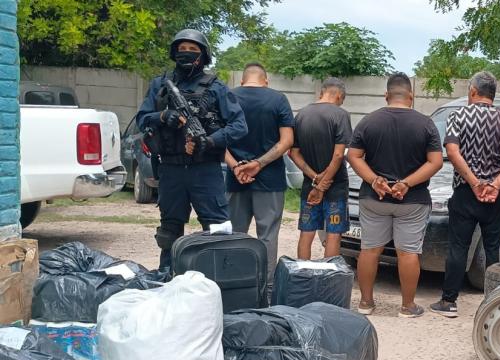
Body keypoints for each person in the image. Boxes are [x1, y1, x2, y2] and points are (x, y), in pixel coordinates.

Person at [135, 29, 247, 270]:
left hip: (204, 170)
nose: (186, 54)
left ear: (203, 55)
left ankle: (220, 286)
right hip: (171, 170)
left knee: (218, 231)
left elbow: (239, 126)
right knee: (169, 234)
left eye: (192, 50)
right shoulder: (159, 85)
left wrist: (211, 141)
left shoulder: (216, 87)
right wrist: (163, 116)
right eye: (181, 49)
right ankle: (168, 281)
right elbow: (142, 119)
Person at [346, 73, 443, 318]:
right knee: (408, 252)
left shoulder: (368, 121)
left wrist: (374, 180)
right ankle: (408, 307)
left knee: (369, 250)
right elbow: (436, 162)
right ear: (411, 97)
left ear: (386, 95)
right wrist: (407, 183)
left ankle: (366, 303)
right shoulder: (426, 124)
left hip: (374, 198)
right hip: (412, 200)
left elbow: (353, 155)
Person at [430, 71, 500, 318]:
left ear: (472, 91)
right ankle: (494, 304)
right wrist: (496, 183)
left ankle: (449, 301)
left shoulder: (458, 116)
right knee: (493, 248)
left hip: (465, 192)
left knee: (458, 246)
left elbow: (452, 151)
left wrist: (474, 182)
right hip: (495, 196)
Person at [224, 63, 294, 289]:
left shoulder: (228, 97)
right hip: (270, 179)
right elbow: (287, 141)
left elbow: (217, 140)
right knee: (268, 235)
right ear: (266, 81)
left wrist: (236, 167)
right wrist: (258, 164)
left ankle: (234, 284)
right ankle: (266, 287)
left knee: (234, 234)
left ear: (242, 81)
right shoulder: (278, 99)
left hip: (235, 180)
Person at [289, 78, 352, 260]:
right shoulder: (341, 115)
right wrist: (323, 184)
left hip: (310, 186)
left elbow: (293, 153)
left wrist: (314, 177)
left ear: (321, 93)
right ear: (339, 95)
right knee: (333, 235)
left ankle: (302, 274)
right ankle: (329, 279)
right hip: (336, 186)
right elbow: (339, 155)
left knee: (306, 233)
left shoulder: (301, 115)